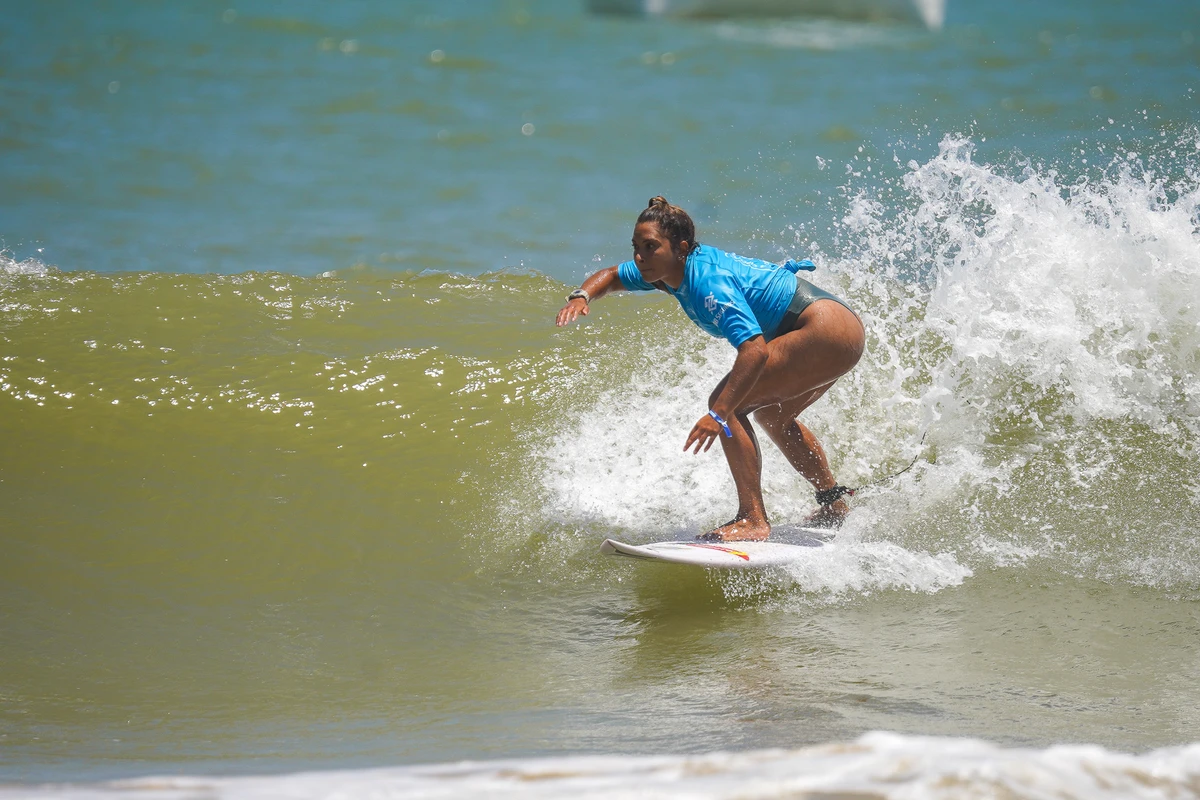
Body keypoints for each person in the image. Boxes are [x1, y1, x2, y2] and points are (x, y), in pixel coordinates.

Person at [554, 196, 865, 541]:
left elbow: (754, 351)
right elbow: (612, 276)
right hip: (838, 329)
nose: (640, 257)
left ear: (680, 247)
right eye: (636, 247)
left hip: (821, 329)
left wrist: (718, 414)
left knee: (728, 403)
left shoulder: (706, 283)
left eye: (650, 247)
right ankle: (833, 503)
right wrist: (581, 295)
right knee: (773, 417)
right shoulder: (663, 271)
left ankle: (752, 519)